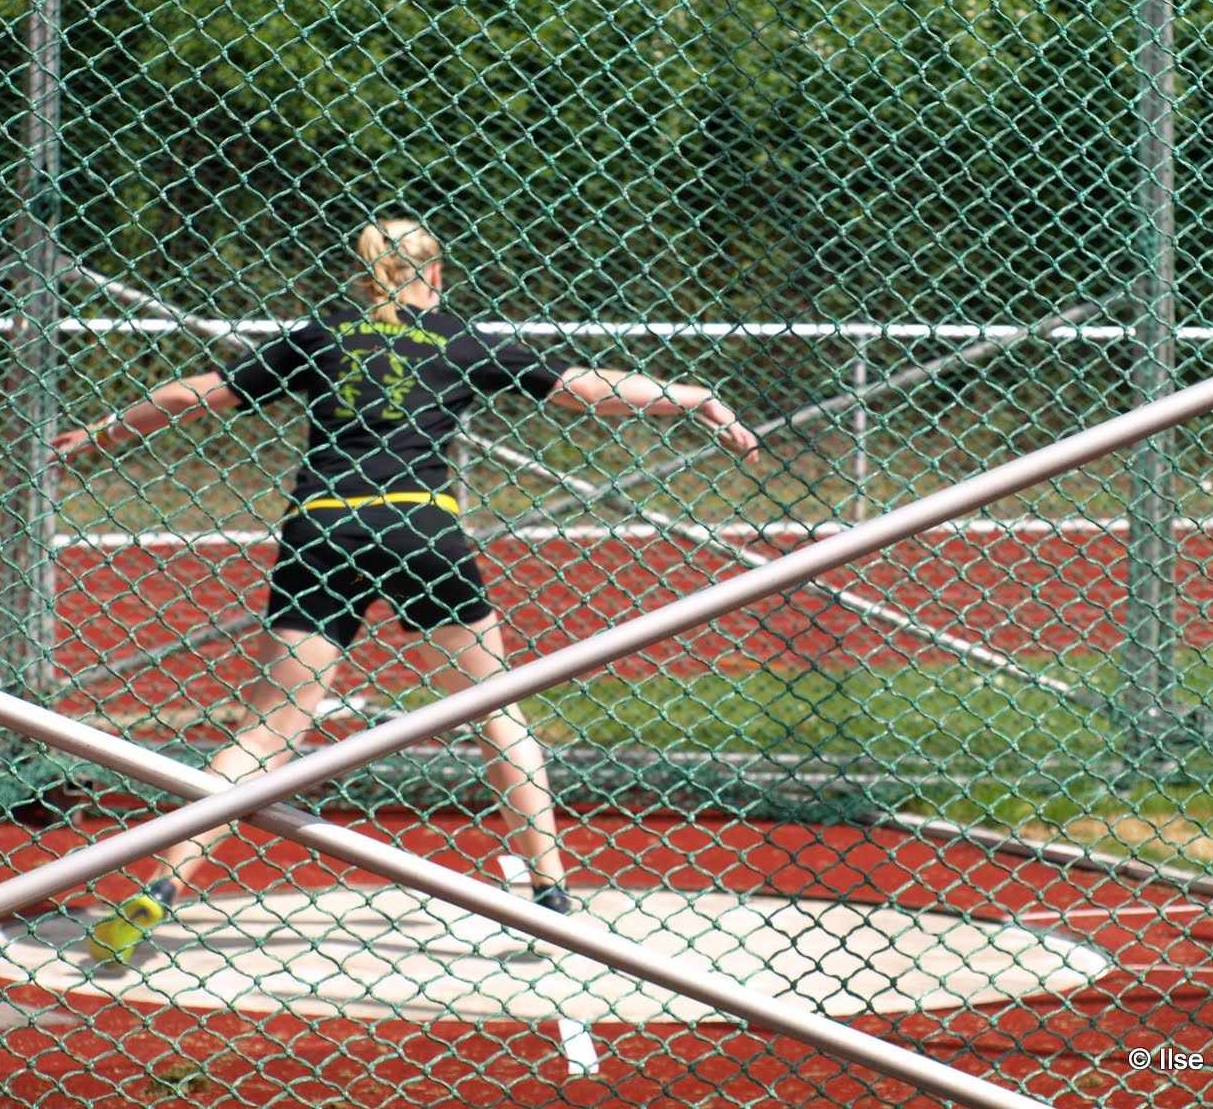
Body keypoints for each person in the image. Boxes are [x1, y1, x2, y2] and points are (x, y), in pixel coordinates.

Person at [52, 218, 760, 966]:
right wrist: (694, 398)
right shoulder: (461, 340)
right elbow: (585, 389)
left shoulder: (323, 335)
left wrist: (106, 428)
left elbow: (201, 393)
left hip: (324, 527)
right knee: (494, 712)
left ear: (363, 277)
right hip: (421, 527)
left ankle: (162, 887)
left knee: (267, 732)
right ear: (437, 273)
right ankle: (550, 894)